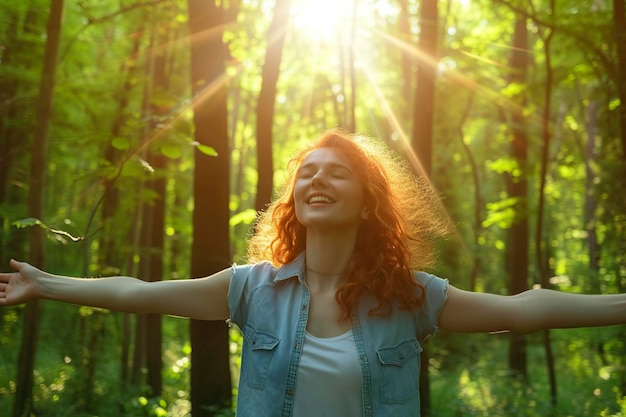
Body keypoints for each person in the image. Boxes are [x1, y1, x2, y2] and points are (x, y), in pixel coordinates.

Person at [0, 129, 625, 417]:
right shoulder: (250, 289)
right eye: (306, 171)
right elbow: (140, 292)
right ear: (292, 197)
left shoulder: (409, 299)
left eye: (336, 172)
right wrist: (45, 283)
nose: (316, 178)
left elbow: (524, 309)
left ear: (367, 202)